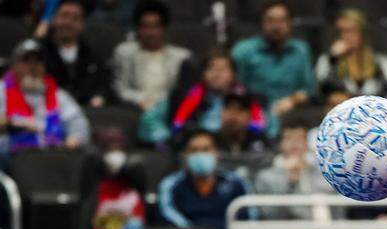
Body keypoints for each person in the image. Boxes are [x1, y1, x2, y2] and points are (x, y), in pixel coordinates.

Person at [0, 39, 90, 229]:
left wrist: (70, 143)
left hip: (47, 161)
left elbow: (80, 127)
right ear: (14, 66)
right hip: (7, 159)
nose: (32, 67)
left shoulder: (58, 96)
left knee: (85, 160)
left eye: (37, 62)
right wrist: (11, 123)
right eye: (26, 61)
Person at [139, 50, 268, 147]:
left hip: (234, 150)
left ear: (233, 75)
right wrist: (166, 138)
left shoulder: (246, 98)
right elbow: (149, 118)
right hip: (195, 148)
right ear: (202, 75)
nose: (217, 74)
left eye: (222, 69)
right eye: (211, 69)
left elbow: (268, 124)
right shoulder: (184, 97)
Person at [158, 128, 252, 229]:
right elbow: (167, 216)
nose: (200, 155)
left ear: (216, 153)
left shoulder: (236, 183)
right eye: (194, 150)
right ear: (185, 155)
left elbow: (249, 218)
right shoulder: (171, 185)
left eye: (206, 149)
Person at [231, 0, 316, 118]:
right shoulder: (243, 50)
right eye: (270, 20)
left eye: (281, 21)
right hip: (253, 114)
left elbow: (309, 90)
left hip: (292, 113)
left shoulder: (301, 50)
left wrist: (292, 100)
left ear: (290, 23)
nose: (276, 26)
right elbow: (235, 89)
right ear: (262, 23)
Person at [112, 0, 192, 111]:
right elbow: (121, 89)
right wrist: (141, 100)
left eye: (155, 26)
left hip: (169, 110)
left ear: (164, 29)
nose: (151, 33)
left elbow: (184, 93)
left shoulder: (182, 57)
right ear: (137, 29)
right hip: (135, 109)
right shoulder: (124, 53)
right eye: (145, 27)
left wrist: (162, 104)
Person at [313, 8, 387, 101]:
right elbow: (317, 90)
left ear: (362, 33)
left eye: (351, 31)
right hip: (342, 113)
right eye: (341, 31)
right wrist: (333, 59)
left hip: (376, 113)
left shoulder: (381, 61)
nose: (345, 36)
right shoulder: (327, 60)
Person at [86, 127, 145, 229]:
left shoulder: (135, 190)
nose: (114, 154)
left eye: (118, 147)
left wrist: (128, 166)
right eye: (110, 148)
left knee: (133, 226)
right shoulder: (96, 188)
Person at [42, 0, 114, 107]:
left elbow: (104, 87)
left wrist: (100, 97)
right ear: (53, 19)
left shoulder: (92, 56)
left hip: (87, 113)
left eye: (76, 18)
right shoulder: (38, 52)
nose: (68, 22)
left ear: (82, 24)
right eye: (64, 16)